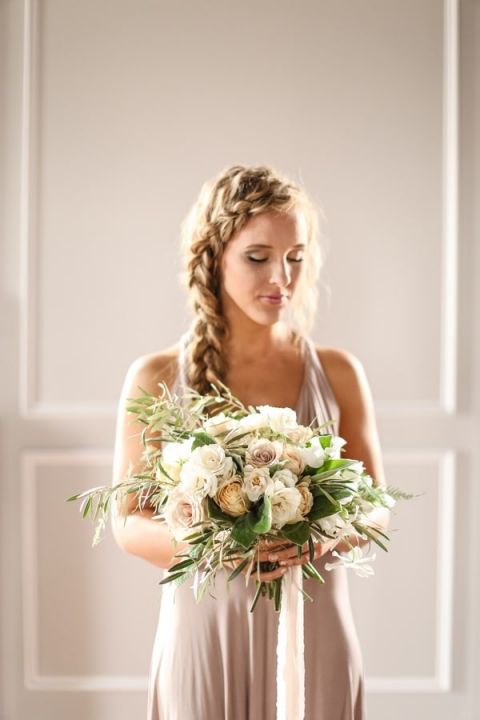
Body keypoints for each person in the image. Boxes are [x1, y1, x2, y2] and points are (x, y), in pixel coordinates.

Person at [111, 163, 390, 719]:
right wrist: (215, 547)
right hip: (204, 628)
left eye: (296, 258)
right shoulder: (156, 376)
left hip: (315, 628)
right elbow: (127, 520)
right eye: (259, 257)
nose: (281, 278)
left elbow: (376, 505)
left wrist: (323, 539)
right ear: (214, 258)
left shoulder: (338, 372)